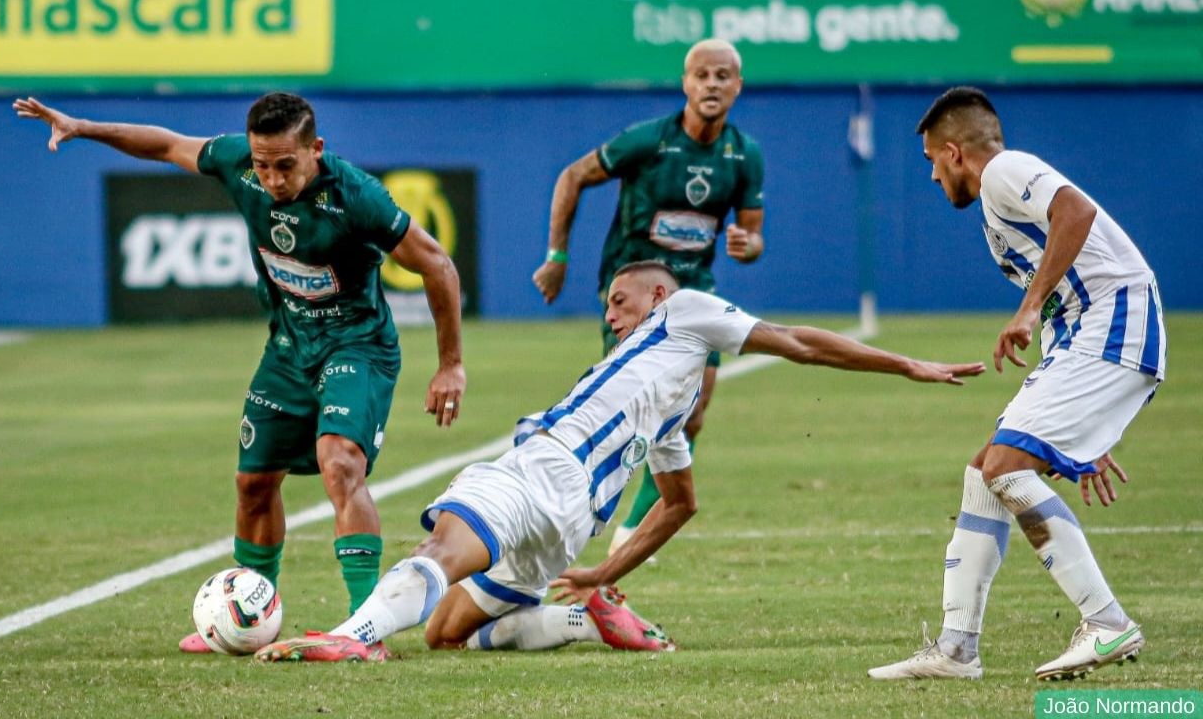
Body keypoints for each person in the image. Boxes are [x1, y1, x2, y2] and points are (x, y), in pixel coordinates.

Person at [251, 260, 984, 662]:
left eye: (618, 299)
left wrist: (904, 365)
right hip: (569, 529)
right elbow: (679, 501)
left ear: (659, 295)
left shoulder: (685, 309)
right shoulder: (667, 396)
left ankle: (351, 638)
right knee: (446, 632)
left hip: (544, 468)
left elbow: (798, 341)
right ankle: (581, 619)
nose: (610, 313)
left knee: (441, 546)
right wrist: (604, 572)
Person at [13, 93, 467, 653]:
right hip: (288, 347)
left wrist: (450, 365)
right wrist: (80, 125)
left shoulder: (356, 197)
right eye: (261, 164)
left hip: (357, 345)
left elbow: (436, 263)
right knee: (253, 483)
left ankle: (361, 628)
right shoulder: (238, 165)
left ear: (315, 150)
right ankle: (254, 611)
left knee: (340, 462)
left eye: (285, 165)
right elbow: (165, 144)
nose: (272, 178)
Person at [868, 87, 1166, 682]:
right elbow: (1066, 300)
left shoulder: (1006, 169)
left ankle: (1107, 622)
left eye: (931, 160)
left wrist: (1026, 310)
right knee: (985, 471)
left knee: (1005, 467)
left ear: (954, 152)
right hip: (1089, 333)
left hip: (1116, 321)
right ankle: (957, 649)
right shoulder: (995, 212)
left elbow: (1074, 213)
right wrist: (1087, 428)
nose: (931, 176)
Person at [532, 38, 765, 561]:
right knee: (629, 414)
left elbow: (753, 237)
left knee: (694, 412)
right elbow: (574, 175)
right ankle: (570, 517)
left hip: (695, 296)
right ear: (685, 83)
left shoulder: (743, 155)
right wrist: (557, 257)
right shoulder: (650, 142)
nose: (711, 84)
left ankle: (631, 533)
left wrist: (747, 245)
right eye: (701, 75)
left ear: (737, 86)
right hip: (636, 297)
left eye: (722, 76)